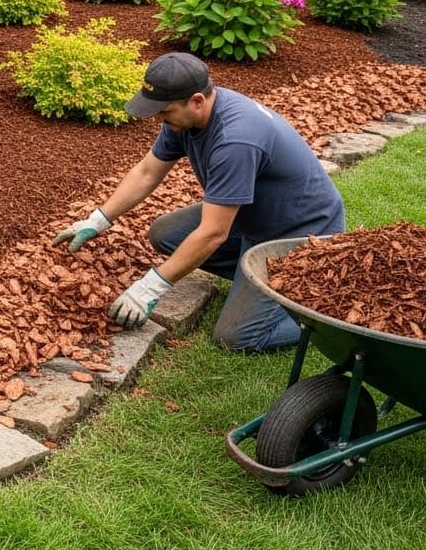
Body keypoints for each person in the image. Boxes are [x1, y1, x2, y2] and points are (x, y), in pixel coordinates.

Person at [52, 51, 344, 353]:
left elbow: (214, 233)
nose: (158, 119)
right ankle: (257, 283)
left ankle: (320, 312)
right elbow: (147, 172)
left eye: (164, 112)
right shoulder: (187, 118)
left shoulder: (235, 140)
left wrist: (149, 287)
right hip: (253, 220)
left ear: (196, 101)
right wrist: (97, 220)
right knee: (165, 234)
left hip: (300, 232)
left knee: (236, 338)